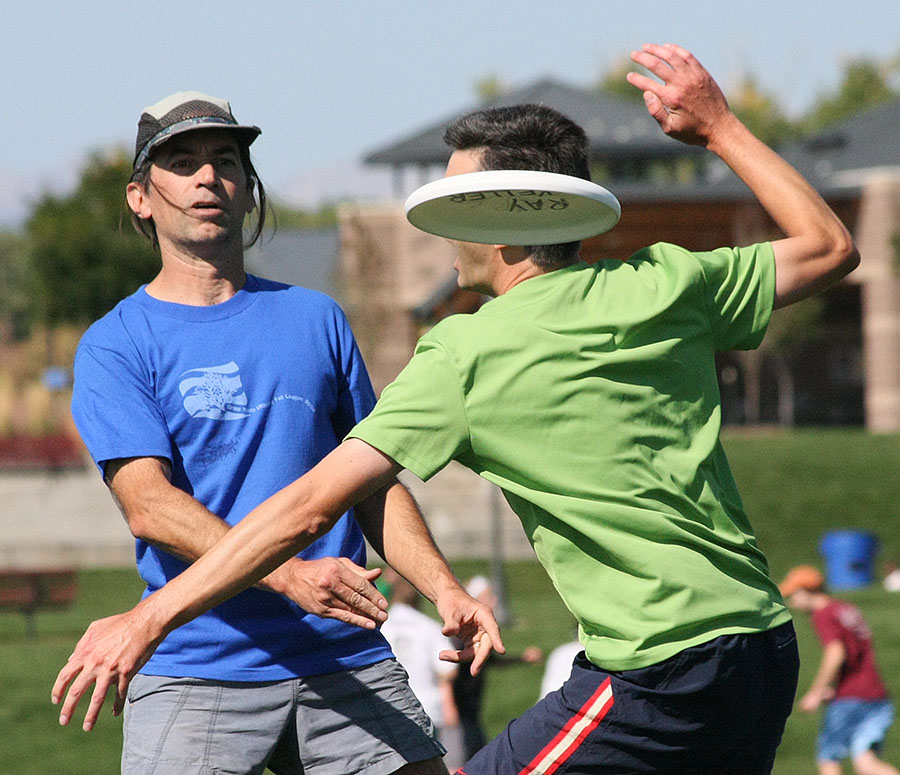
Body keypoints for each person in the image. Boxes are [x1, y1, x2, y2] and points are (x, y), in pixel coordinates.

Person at [54, 43, 859, 775]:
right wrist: (718, 126)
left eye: (455, 202)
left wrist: (146, 617)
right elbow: (829, 247)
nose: (441, 227)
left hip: (659, 668)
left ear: (502, 216)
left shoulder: (465, 354)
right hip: (764, 643)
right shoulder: (665, 281)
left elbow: (310, 506)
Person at [62, 90, 500, 775]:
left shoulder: (315, 318)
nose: (208, 176)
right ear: (141, 197)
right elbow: (149, 506)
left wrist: (445, 587)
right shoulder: (115, 343)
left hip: (343, 654)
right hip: (196, 662)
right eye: (182, 162)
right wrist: (290, 573)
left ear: (246, 186)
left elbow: (374, 483)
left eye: (226, 159)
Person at [780, 565, 899, 775]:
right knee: (866, 763)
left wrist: (816, 692)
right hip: (876, 695)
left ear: (807, 590)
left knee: (828, 758)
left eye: (794, 595)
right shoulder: (845, 608)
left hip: (850, 697)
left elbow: (836, 653)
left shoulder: (824, 614)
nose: (792, 602)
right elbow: (855, 656)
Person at [380, 569, 465, 772]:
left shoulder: (381, 628)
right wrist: (449, 705)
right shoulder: (428, 626)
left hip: (390, 707)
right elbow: (446, 670)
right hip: (429, 708)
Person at [450, 576, 542, 761]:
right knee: (467, 756)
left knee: (477, 754)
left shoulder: (477, 634)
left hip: (471, 709)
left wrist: (522, 658)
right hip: (457, 710)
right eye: (488, 596)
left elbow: (491, 660)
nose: (494, 601)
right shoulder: (462, 634)